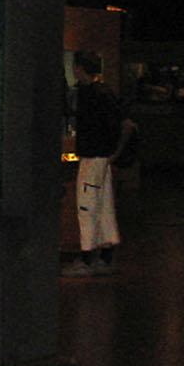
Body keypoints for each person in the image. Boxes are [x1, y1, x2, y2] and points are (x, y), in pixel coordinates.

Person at [63, 51, 135, 277]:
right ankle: (106, 255)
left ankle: (87, 258)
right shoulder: (107, 92)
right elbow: (126, 124)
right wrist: (115, 153)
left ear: (80, 68)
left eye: (76, 67)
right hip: (103, 160)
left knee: (87, 206)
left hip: (92, 159)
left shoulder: (89, 95)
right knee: (104, 207)